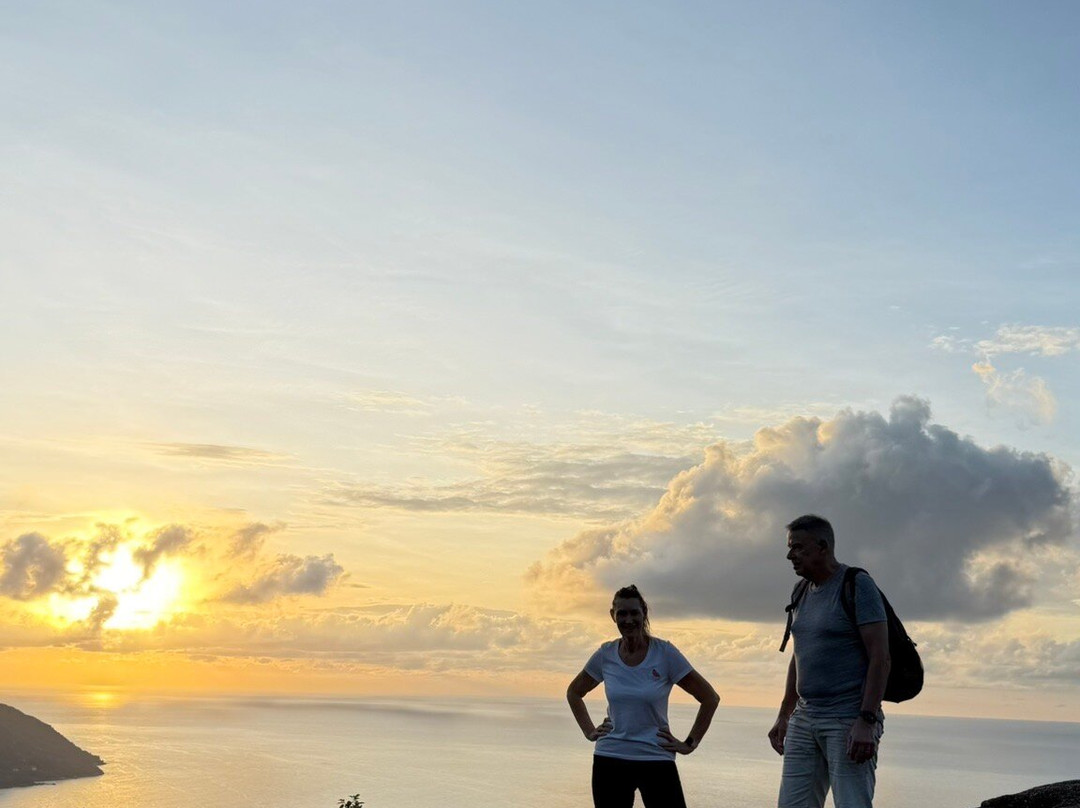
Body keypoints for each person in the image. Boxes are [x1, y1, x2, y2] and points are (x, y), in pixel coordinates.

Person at [768, 514, 891, 808]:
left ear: (822, 547)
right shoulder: (800, 591)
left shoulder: (856, 585)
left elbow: (881, 657)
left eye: (798, 547)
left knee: (852, 803)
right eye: (789, 548)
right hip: (805, 716)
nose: (790, 555)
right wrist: (785, 712)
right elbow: (801, 655)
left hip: (848, 718)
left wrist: (866, 719)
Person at [567, 584, 720, 808]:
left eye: (634, 613)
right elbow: (574, 692)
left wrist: (690, 743)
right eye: (622, 613)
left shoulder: (664, 653)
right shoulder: (606, 654)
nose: (628, 620)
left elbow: (709, 698)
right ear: (613, 616)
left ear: (644, 613)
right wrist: (589, 730)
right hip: (610, 757)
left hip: (655, 757)